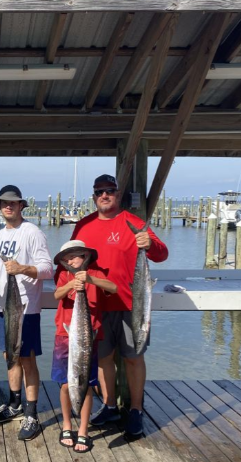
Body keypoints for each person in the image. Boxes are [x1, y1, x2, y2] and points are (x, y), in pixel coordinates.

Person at [71, 174, 168, 436]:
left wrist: (150, 243)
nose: (105, 195)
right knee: (103, 358)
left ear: (117, 195)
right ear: (94, 196)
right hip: (96, 306)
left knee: (134, 358)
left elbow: (161, 253)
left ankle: (135, 409)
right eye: (99, 191)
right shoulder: (82, 226)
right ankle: (110, 405)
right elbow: (72, 259)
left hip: (131, 306)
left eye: (110, 191)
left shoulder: (134, 222)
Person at [0, 185, 53, 441]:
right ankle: (14, 403)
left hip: (26, 308)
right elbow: (2, 272)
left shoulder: (32, 232)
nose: (8, 206)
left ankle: (32, 412)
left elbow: (48, 269)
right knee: (9, 356)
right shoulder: (0, 234)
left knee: (27, 358)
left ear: (22, 206)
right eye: (4, 202)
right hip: (4, 305)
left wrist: (23, 268)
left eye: (13, 203)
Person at [52, 240, 117, 453]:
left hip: (88, 337)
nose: (71, 260)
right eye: (67, 258)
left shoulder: (95, 272)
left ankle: (83, 430)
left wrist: (90, 280)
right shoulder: (63, 274)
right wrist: (72, 285)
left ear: (86, 256)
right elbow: (57, 295)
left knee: (87, 384)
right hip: (65, 335)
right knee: (65, 383)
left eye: (75, 256)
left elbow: (114, 288)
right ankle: (67, 424)